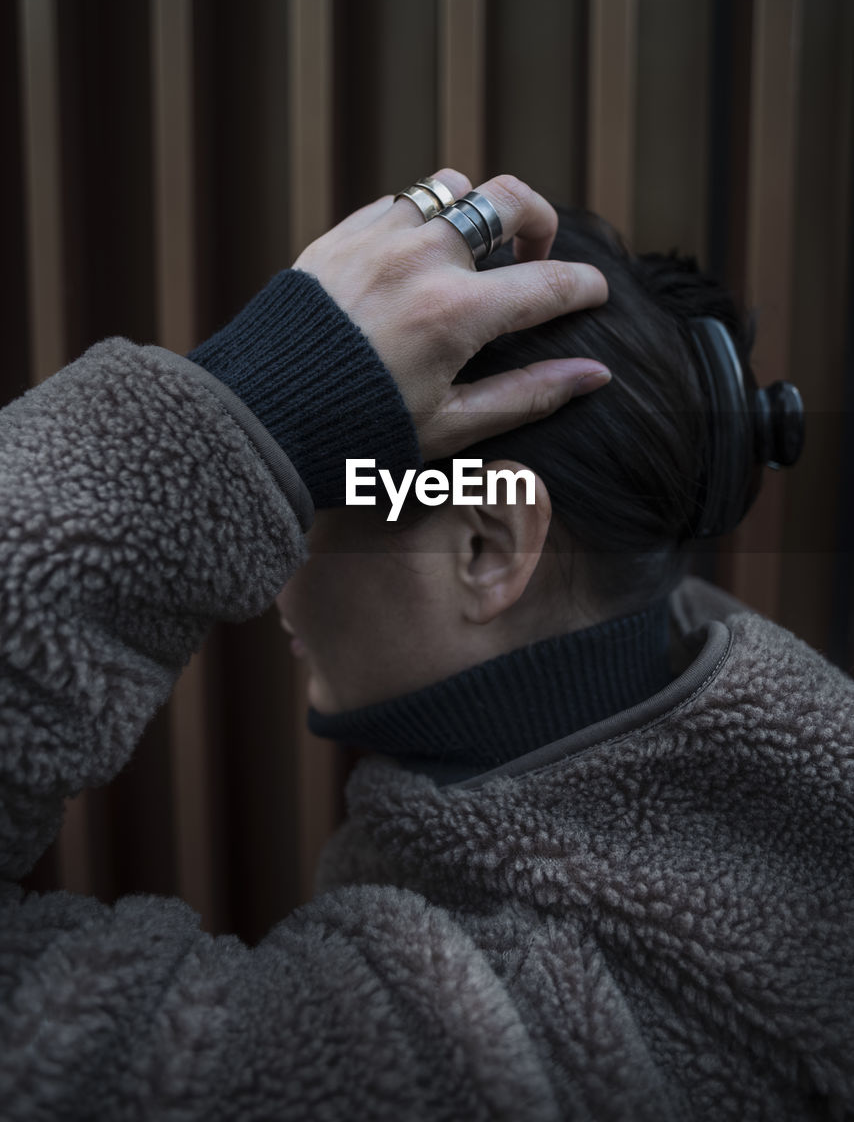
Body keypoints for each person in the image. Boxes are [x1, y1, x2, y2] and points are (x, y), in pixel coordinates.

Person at [0, 170, 851, 1120]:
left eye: (311, 488)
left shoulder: (482, 1061)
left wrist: (213, 429)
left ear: (486, 546)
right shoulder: (763, 825)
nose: (272, 563)